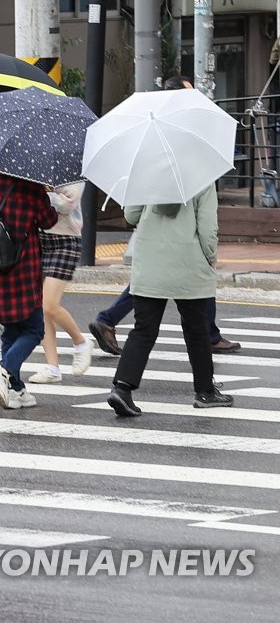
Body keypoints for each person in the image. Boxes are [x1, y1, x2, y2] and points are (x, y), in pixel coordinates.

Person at [89, 74, 241, 358]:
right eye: (189, 95)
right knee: (194, 280)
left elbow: (132, 213)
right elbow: (206, 221)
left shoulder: (148, 149)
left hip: (152, 240)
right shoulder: (187, 151)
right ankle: (208, 342)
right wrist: (210, 252)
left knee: (149, 290)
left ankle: (109, 321)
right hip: (184, 244)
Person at [107, 187, 235, 416]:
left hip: (150, 262)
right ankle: (205, 391)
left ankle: (122, 388)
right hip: (188, 262)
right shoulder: (201, 178)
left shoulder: (148, 174)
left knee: (143, 329)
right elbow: (207, 227)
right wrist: (211, 256)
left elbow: (131, 216)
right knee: (197, 329)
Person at [0, 160, 58, 409]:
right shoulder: (29, 186)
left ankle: (16, 389)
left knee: (10, 329)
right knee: (34, 329)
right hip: (22, 267)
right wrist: (44, 194)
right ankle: (4, 368)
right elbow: (48, 220)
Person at [27, 183, 93, 384]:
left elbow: (68, 202)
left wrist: (39, 195)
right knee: (40, 307)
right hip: (39, 239)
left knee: (49, 304)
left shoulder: (70, 169)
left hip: (66, 241)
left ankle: (81, 342)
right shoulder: (34, 170)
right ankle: (52, 367)